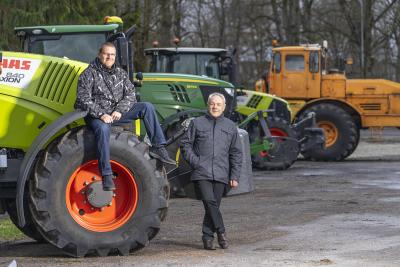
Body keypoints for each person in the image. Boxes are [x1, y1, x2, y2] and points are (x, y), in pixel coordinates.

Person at [75, 42, 175, 191]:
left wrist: (120, 110)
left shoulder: (120, 73)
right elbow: (83, 99)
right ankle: (107, 175)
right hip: (97, 116)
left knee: (146, 106)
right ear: (99, 54)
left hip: (116, 114)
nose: (109, 57)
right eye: (106, 54)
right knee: (102, 130)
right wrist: (102, 114)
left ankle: (159, 147)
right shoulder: (89, 74)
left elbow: (130, 94)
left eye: (112, 54)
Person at [180, 92, 242, 250]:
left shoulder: (230, 126)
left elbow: (236, 153)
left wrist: (234, 175)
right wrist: (196, 162)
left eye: (218, 104)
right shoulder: (197, 123)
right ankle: (221, 231)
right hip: (201, 171)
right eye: (212, 104)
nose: (215, 107)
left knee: (213, 206)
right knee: (209, 201)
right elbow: (185, 144)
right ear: (208, 105)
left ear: (224, 107)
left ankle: (207, 237)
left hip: (222, 173)